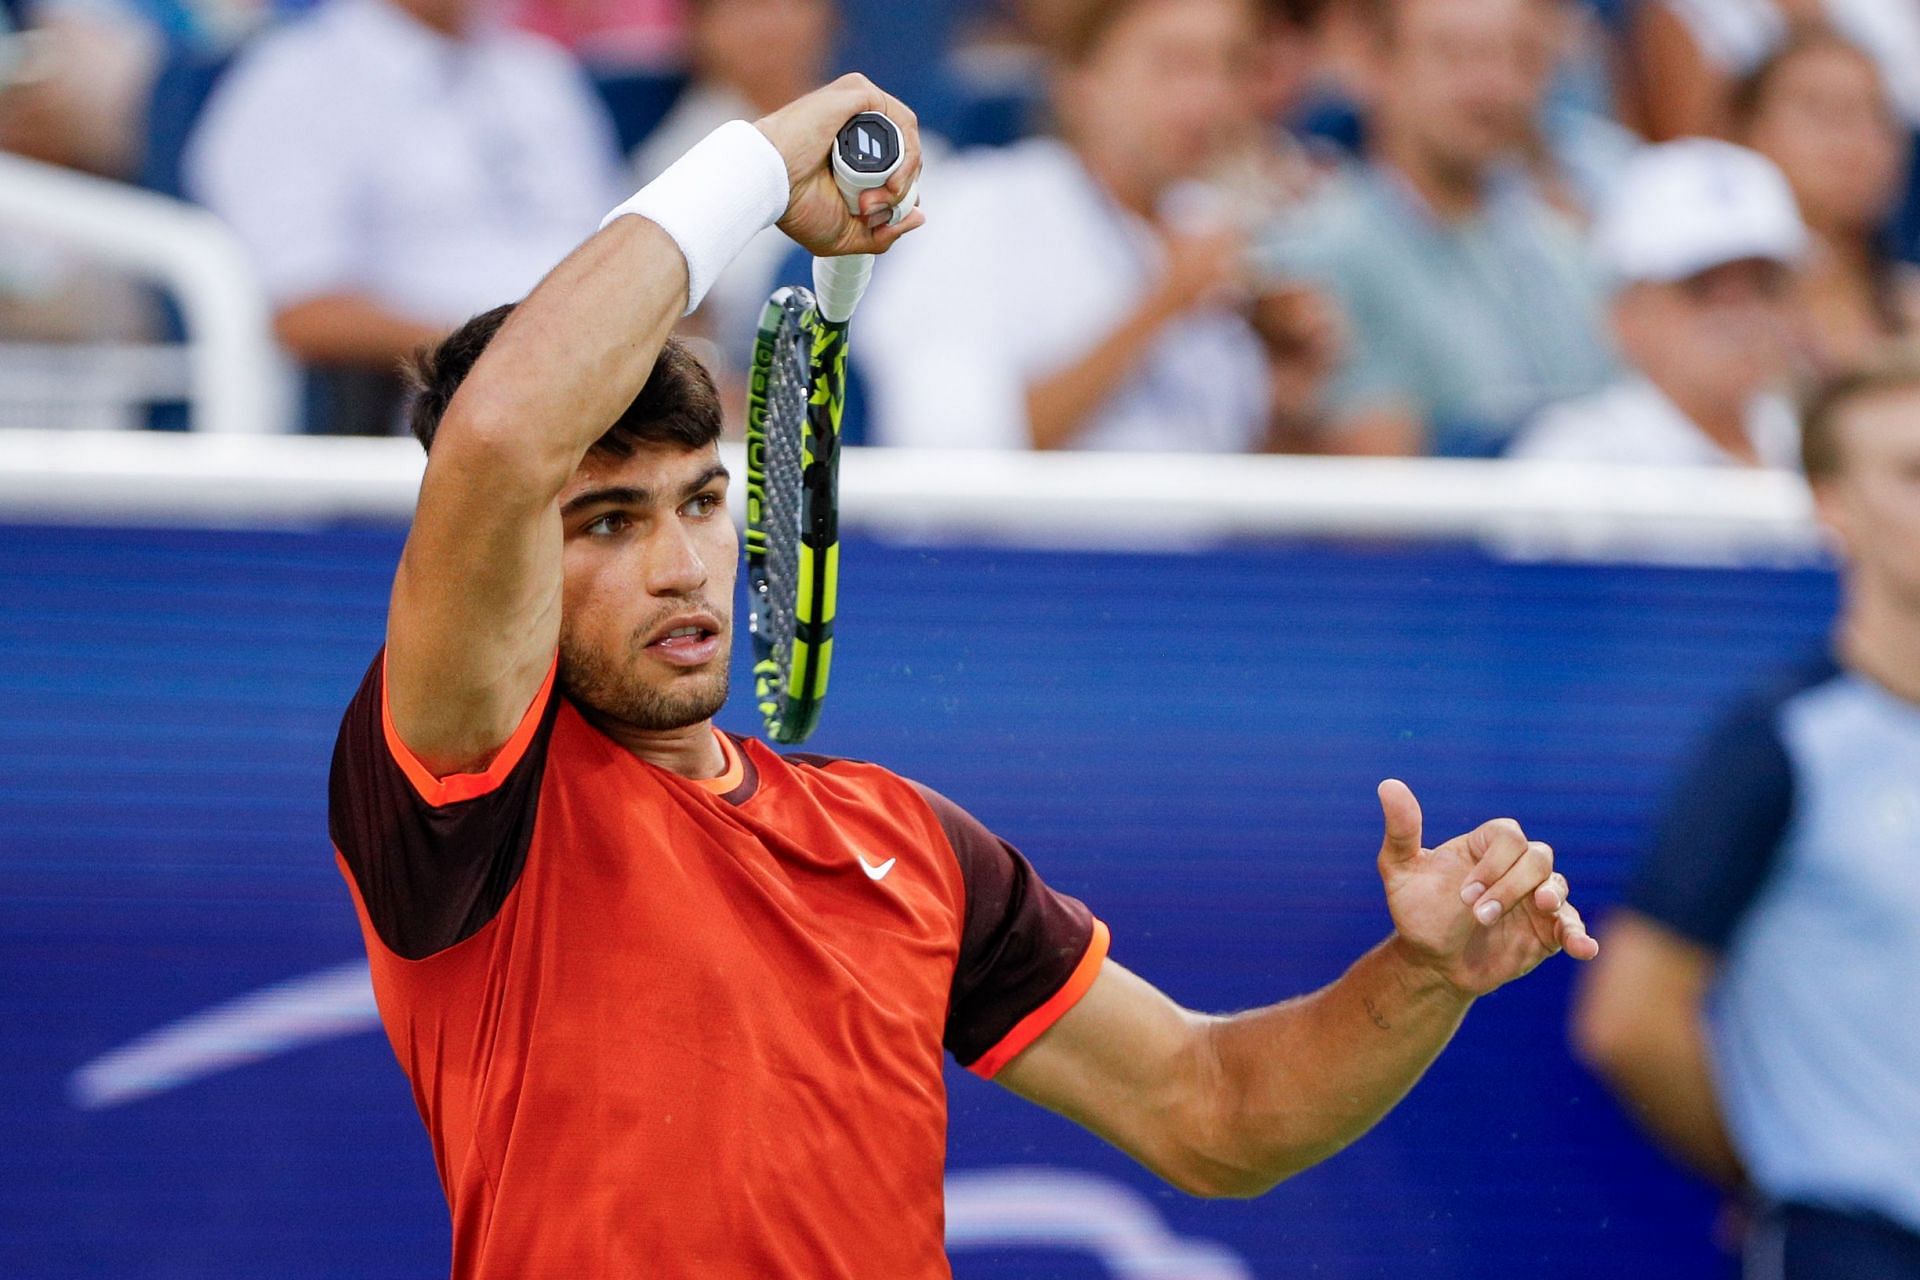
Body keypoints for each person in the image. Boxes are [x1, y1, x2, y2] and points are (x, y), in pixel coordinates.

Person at [328, 74, 1598, 1276]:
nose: (678, 563)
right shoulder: (461, 787)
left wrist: (1425, 974)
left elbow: (1211, 1108)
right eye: (606, 520)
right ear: (512, 562)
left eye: (702, 501)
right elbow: (499, 435)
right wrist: (764, 162)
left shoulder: (908, 842)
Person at [1571, 352, 1920, 1277]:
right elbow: (1631, 1017)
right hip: (1855, 1243)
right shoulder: (1780, 743)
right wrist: (1776, 1174)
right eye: (1914, 473)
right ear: (1831, 506)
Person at [859, 0, 1331, 453]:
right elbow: (946, 450)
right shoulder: (979, 209)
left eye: (1231, 66)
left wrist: (1285, 400)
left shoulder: (1208, 226)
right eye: (1175, 65)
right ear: (1080, 78)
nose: (1208, 98)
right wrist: (1162, 306)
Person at [183, 0, 623, 433]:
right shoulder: (297, 78)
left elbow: (619, 244)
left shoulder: (538, 70)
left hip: (607, 374)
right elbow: (300, 310)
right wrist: (511, 352)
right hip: (450, 407)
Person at [1279, 0, 1615, 457]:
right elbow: (1373, 489)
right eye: (1454, 54)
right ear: (1376, 66)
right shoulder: (1323, 254)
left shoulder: (1567, 248)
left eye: (1518, 56)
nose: (1492, 84)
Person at [1510, 139, 1805, 468]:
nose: (1742, 312)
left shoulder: (1816, 438)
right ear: (1625, 314)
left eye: (1765, 284)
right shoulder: (1575, 460)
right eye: (1702, 286)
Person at [629, 0, 837, 369]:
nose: (768, 28)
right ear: (698, 31)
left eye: (786, 6)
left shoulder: (886, 134)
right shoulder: (670, 162)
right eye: (743, 9)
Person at [1732, 26, 1920, 377]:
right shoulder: (1718, 317)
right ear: (1747, 132)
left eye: (1875, 113)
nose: (1857, 138)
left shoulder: (1912, 302)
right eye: (1822, 111)